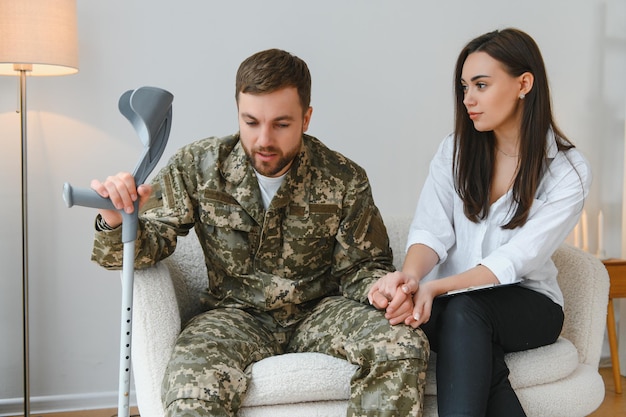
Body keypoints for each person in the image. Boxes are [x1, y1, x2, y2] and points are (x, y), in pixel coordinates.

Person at [90, 48, 429, 417]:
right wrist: (116, 219)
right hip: (234, 314)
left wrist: (380, 289)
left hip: (320, 310)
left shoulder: (344, 178)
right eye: (251, 122)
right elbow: (148, 246)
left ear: (306, 118)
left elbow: (363, 267)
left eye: (281, 124)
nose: (264, 139)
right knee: (191, 382)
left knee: (402, 343)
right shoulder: (198, 166)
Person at [368, 28, 591, 417]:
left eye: (481, 85)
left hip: (529, 304)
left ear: (524, 83)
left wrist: (436, 288)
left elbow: (516, 260)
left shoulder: (568, 171)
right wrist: (410, 278)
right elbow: (430, 231)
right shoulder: (453, 150)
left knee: (464, 312)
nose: (468, 99)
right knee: (457, 323)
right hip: (452, 303)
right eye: (464, 87)